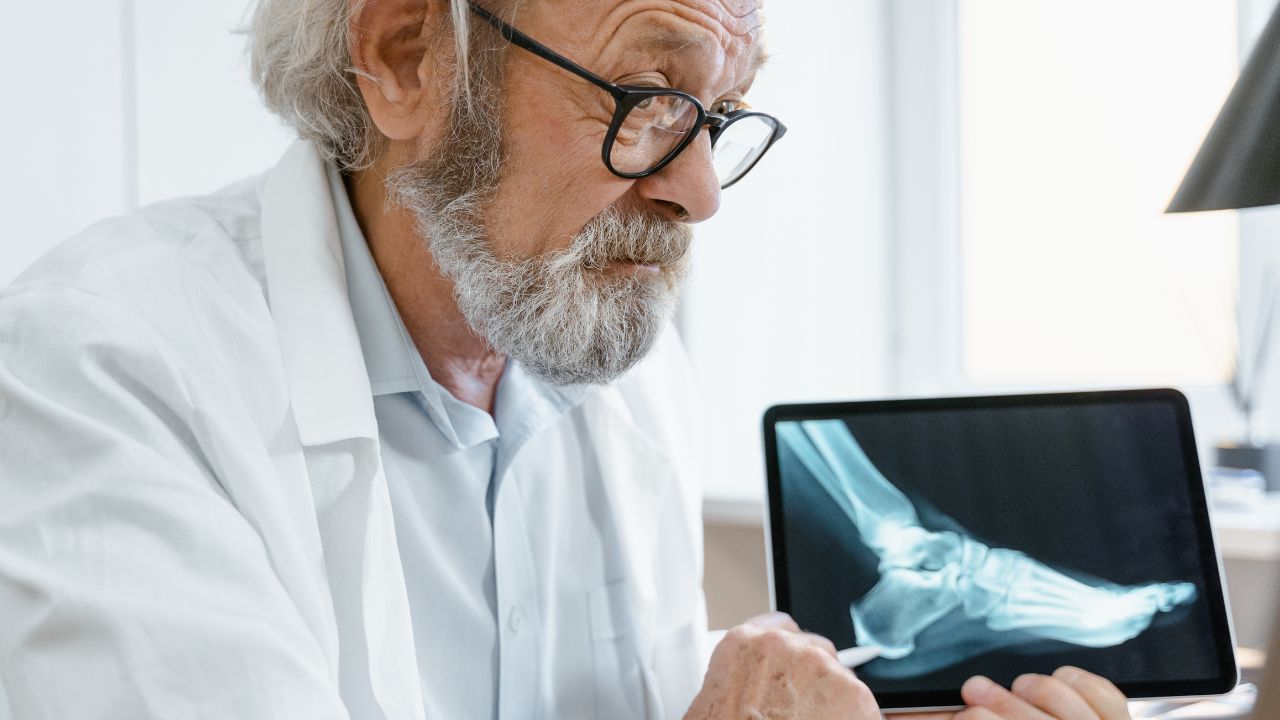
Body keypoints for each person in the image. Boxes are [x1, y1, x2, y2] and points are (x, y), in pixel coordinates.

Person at [0, 0, 1134, 718]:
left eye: (722, 114)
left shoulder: (612, 365)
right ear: (403, 55)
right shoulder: (102, 371)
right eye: (647, 98)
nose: (694, 195)